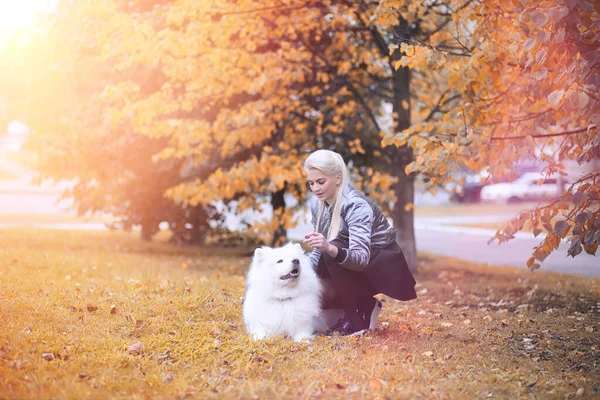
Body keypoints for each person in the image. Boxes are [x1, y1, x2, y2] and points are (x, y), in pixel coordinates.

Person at [302, 149, 417, 336]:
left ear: (338, 178)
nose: (315, 188)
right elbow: (318, 251)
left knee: (332, 251)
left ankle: (355, 320)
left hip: (380, 267)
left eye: (321, 182)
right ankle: (365, 304)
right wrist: (301, 277)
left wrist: (328, 248)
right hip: (348, 265)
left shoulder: (355, 205)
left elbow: (360, 258)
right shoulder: (318, 204)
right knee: (316, 283)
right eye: (311, 183)